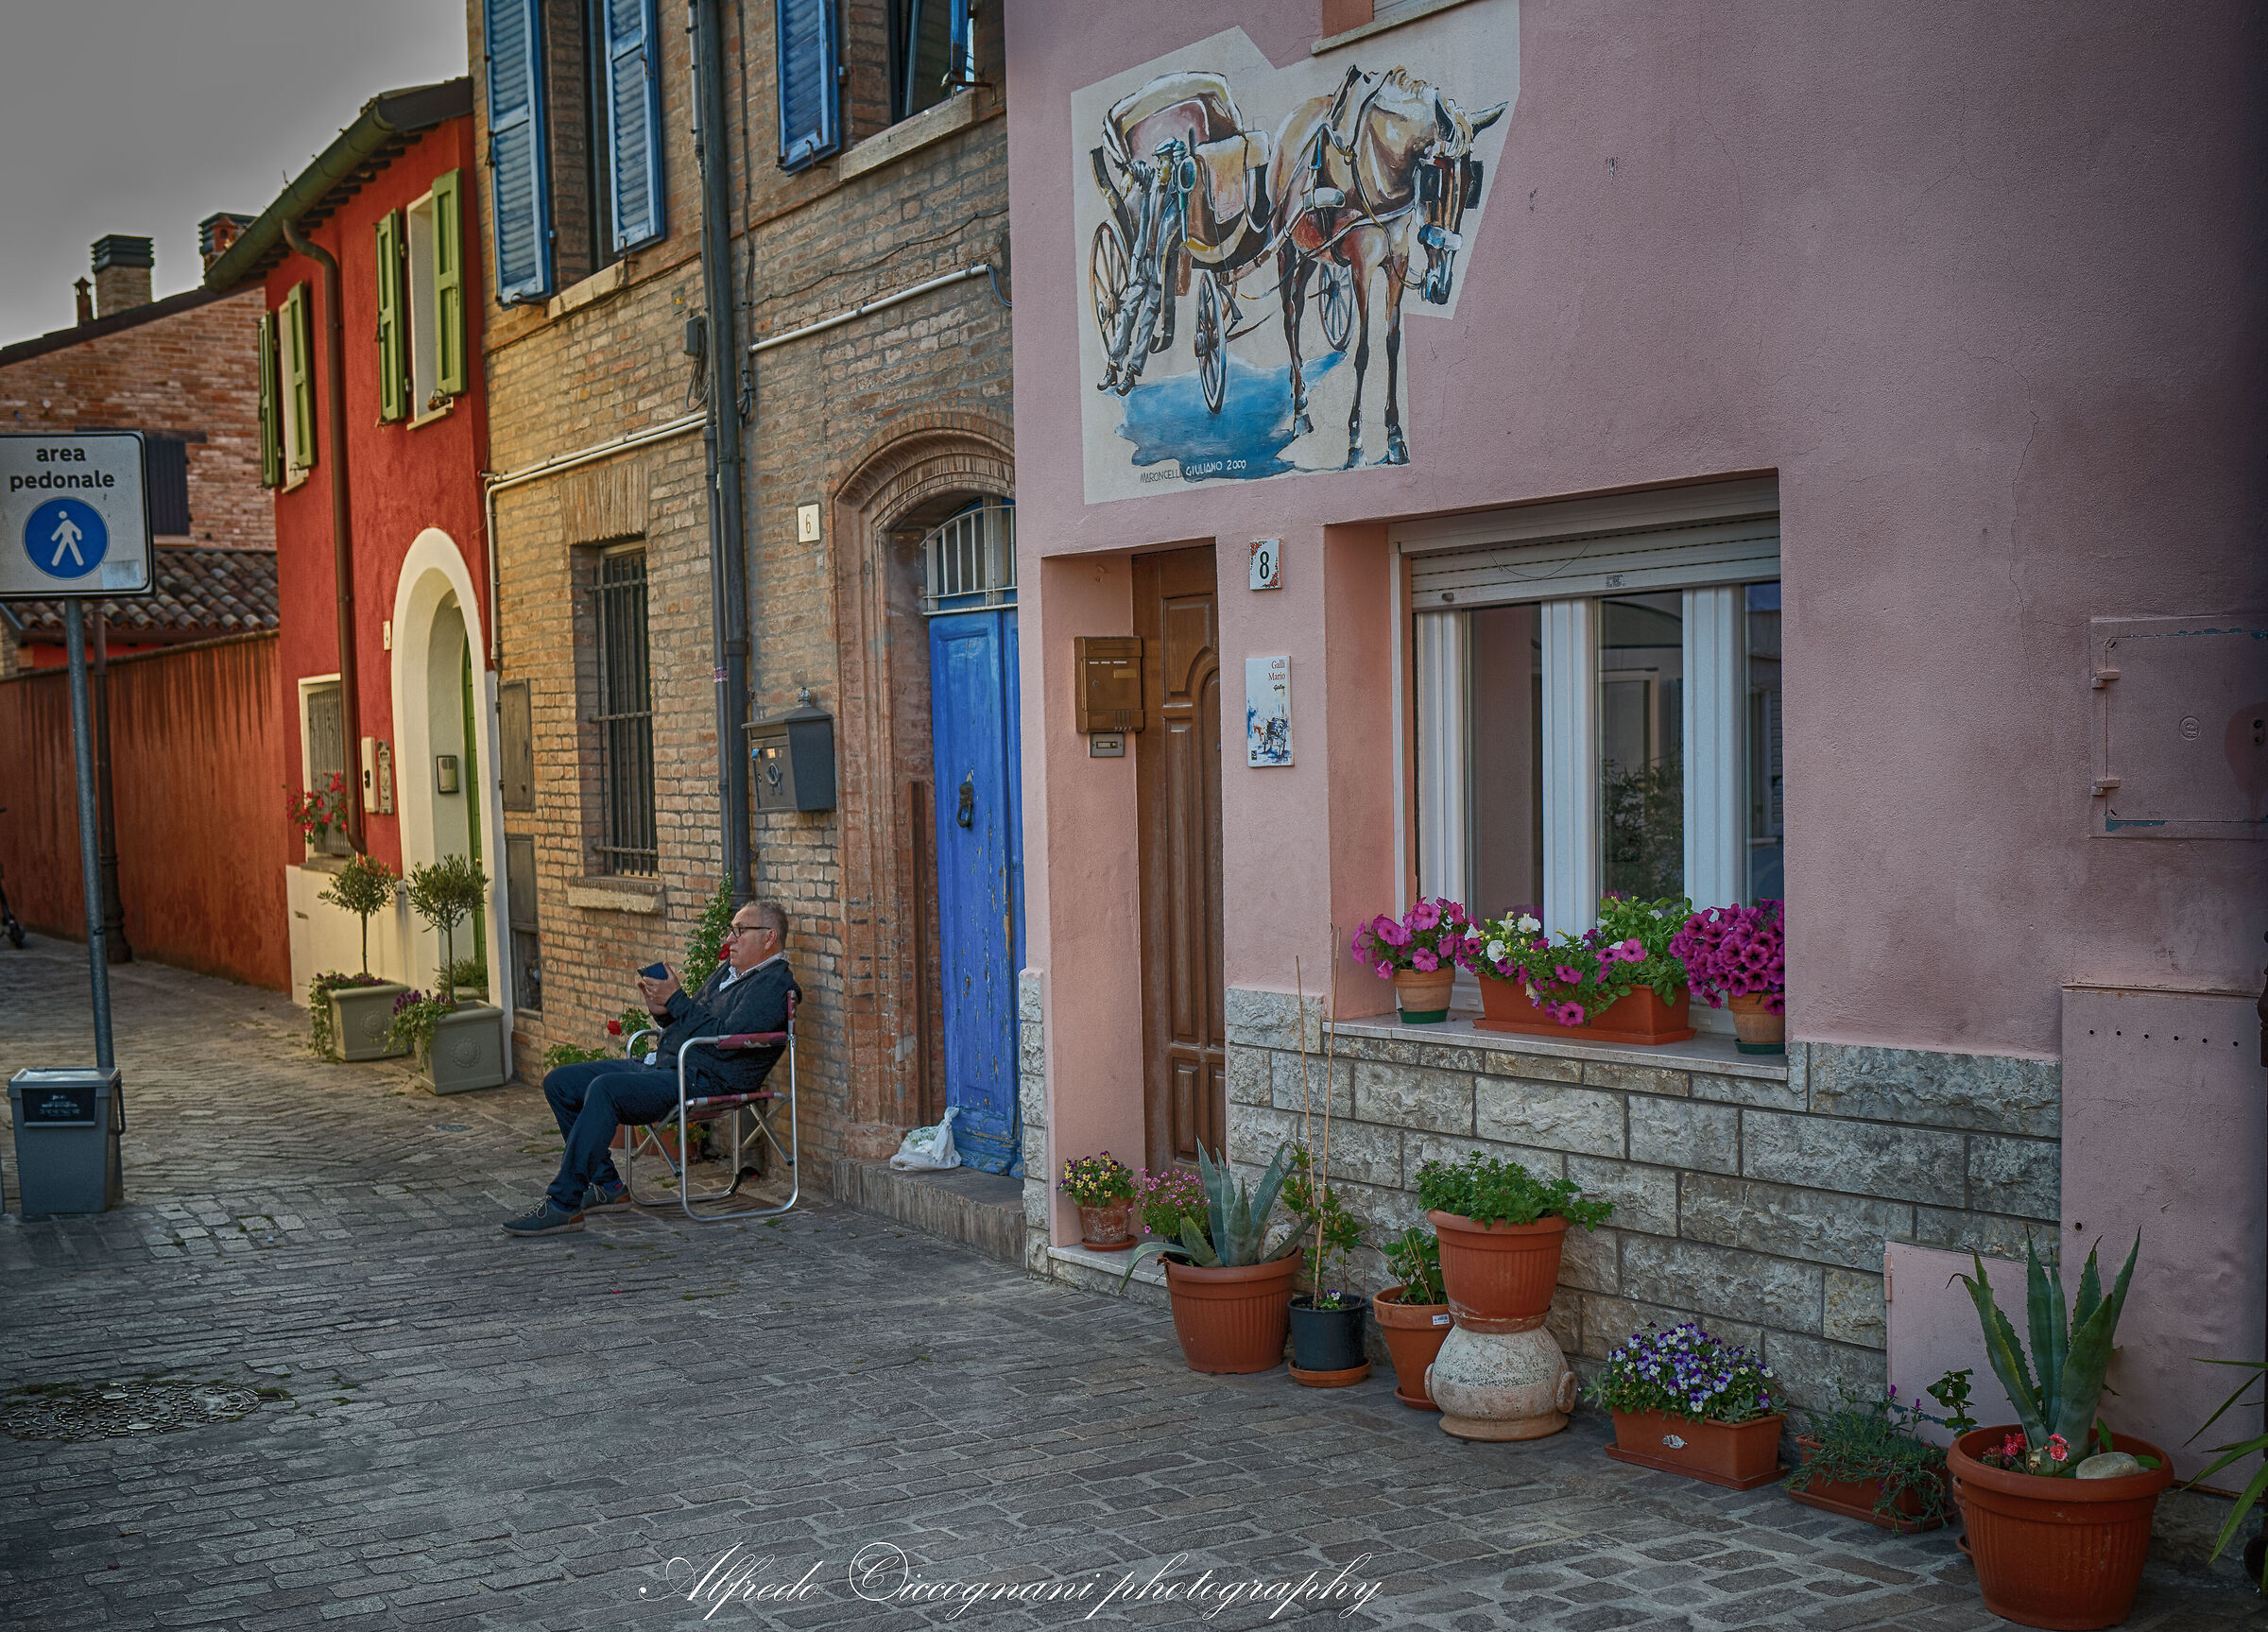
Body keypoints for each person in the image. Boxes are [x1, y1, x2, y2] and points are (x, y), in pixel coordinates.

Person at [503, 899, 800, 1236]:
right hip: (667, 1066)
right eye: (731, 930)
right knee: (560, 1082)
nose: (729, 939)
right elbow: (694, 1021)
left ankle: (563, 1203)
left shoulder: (773, 984)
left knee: (605, 1090)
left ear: (769, 937)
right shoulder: (728, 973)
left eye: (740, 931)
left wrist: (676, 1000)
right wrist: (663, 1010)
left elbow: (725, 1040)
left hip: (704, 1080)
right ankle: (607, 1187)